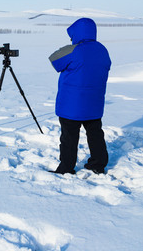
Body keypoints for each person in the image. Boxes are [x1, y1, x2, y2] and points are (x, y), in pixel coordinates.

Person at [49, 18, 111, 175]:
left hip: (72, 105)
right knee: (95, 134)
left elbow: (54, 60)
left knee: (69, 137)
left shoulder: (74, 50)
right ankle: (98, 164)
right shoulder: (102, 50)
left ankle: (66, 168)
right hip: (94, 104)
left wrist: (70, 45)